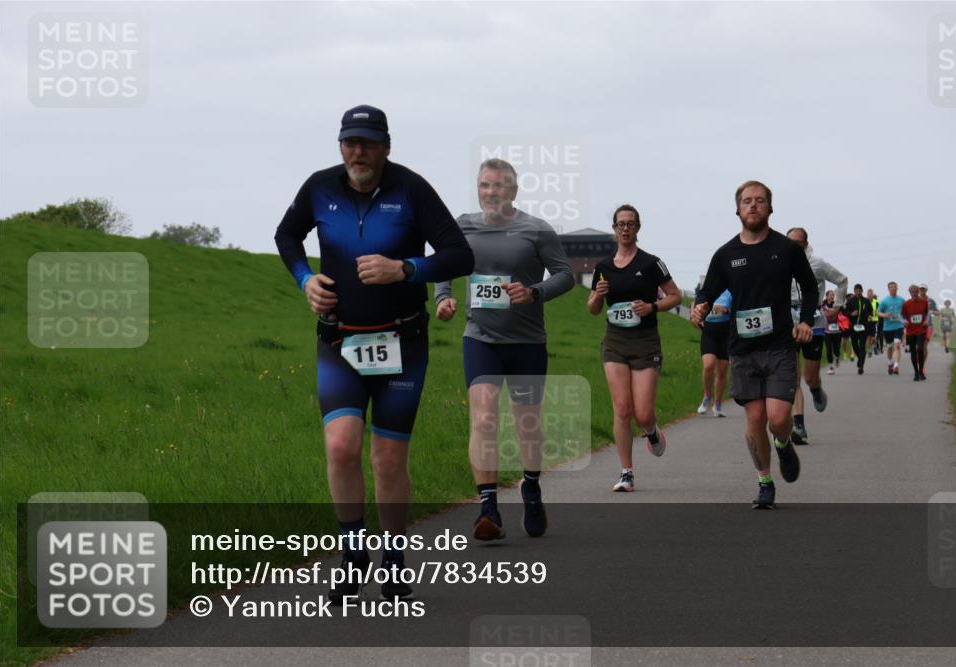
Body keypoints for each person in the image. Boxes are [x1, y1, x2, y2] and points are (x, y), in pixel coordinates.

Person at [274, 105, 474, 602]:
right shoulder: (320, 187)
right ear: (340, 145)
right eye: (349, 142)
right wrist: (305, 280)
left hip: (402, 343)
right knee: (341, 447)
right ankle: (351, 553)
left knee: (387, 459)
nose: (357, 152)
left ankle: (394, 558)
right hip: (339, 340)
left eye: (366, 142)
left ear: (386, 146)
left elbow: (459, 254)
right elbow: (286, 235)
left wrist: (403, 269)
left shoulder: (411, 189)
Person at [435, 159, 574, 541]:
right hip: (480, 338)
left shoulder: (535, 230)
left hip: (527, 342)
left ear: (513, 191)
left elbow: (564, 275)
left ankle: (530, 488)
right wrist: (444, 297)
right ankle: (488, 508)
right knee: (483, 419)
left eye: (498, 186)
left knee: (527, 424)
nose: (490, 192)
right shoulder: (462, 226)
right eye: (484, 185)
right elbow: (444, 263)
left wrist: (534, 293)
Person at [692, 181, 817, 509]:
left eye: (760, 201)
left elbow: (809, 286)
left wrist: (805, 320)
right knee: (755, 418)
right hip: (743, 349)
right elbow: (708, 289)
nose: (753, 206)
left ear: (770, 208)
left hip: (780, 346)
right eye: (747, 201)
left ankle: (784, 441)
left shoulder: (786, 249)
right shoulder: (726, 254)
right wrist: (700, 305)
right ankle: (764, 481)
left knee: (777, 418)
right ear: (737, 209)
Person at [589, 204, 682, 492]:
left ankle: (651, 430)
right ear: (614, 229)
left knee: (642, 413)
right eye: (621, 224)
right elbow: (593, 308)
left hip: (645, 343)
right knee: (622, 408)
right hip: (615, 342)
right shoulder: (603, 267)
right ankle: (626, 473)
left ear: (638, 228)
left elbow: (675, 296)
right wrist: (597, 296)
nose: (626, 228)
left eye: (631, 224)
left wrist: (651, 306)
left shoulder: (652, 263)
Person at [786, 227, 847, 445]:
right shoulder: (779, 261)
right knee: (792, 376)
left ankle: (816, 389)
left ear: (805, 244)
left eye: (797, 243)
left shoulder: (818, 264)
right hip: (788, 320)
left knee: (809, 376)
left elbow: (841, 280)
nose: (792, 246)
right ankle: (799, 426)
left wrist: (837, 307)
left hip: (814, 319)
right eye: (788, 242)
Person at [695, 288, 732, 418]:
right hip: (709, 333)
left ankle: (717, 404)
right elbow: (696, 312)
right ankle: (707, 395)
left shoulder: (731, 290)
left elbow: (740, 310)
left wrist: (726, 310)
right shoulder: (707, 291)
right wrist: (696, 318)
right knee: (709, 365)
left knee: (722, 371)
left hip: (726, 334)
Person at [877, 281, 906, 375]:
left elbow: (906, 311)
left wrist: (905, 319)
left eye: (895, 287)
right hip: (888, 327)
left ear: (897, 288)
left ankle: (896, 366)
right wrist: (885, 315)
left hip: (898, 326)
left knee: (897, 345)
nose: (893, 288)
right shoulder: (885, 301)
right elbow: (878, 312)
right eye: (891, 287)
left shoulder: (901, 300)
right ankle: (890, 362)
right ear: (888, 289)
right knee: (889, 347)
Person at [844, 284, 873, 375]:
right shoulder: (850, 301)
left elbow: (871, 310)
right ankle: (860, 359)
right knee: (855, 344)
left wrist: (870, 316)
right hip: (853, 326)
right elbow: (845, 311)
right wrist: (851, 314)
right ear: (854, 291)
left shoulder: (866, 301)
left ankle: (861, 366)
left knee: (862, 346)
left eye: (859, 290)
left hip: (864, 326)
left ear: (862, 291)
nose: (858, 292)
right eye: (856, 291)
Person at [903, 284, 930, 381]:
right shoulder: (906, 304)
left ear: (918, 292)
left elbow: (927, 313)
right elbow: (902, 316)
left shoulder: (924, 302)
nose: (914, 293)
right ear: (909, 292)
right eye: (912, 292)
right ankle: (916, 372)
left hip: (921, 329)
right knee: (913, 351)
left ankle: (921, 371)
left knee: (920, 348)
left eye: (915, 292)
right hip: (910, 331)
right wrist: (904, 321)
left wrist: (926, 320)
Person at [822, 290, 843, 374]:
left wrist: (834, 312)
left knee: (836, 349)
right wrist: (834, 312)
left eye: (833, 295)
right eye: (830, 295)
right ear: (826, 296)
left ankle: (837, 357)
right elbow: (826, 315)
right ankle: (831, 366)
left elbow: (841, 313)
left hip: (837, 330)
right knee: (828, 349)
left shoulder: (837, 305)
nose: (832, 296)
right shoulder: (823, 305)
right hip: (826, 330)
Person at [919, 284, 939, 364]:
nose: (922, 291)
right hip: (917, 326)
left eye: (923, 289)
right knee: (918, 347)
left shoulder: (931, 301)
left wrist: (933, 312)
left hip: (928, 326)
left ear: (926, 290)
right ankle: (919, 363)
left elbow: (938, 312)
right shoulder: (915, 300)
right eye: (920, 289)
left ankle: (922, 366)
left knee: (924, 346)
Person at [867, 288, 881, 355]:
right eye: (868, 294)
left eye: (871, 294)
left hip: (875, 321)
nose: (869, 296)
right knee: (868, 337)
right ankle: (869, 350)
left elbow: (881, 310)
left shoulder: (877, 302)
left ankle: (874, 347)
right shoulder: (865, 301)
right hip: (867, 321)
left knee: (873, 337)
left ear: (873, 295)